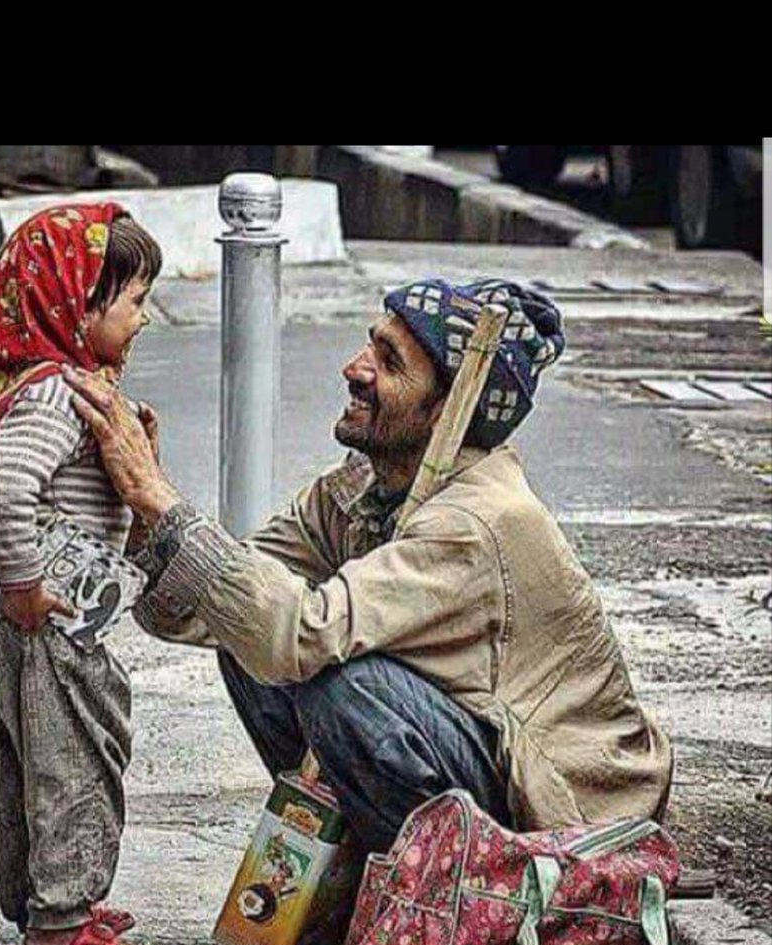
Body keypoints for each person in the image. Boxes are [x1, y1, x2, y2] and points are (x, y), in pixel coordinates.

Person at [64, 277, 673, 858]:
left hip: (558, 809)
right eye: (369, 344)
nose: (354, 369)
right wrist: (147, 519)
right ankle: (348, 869)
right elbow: (214, 603)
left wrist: (157, 494)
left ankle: (435, 891)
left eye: (390, 361)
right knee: (244, 625)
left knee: (339, 684)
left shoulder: (477, 520)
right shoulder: (359, 491)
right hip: (466, 745)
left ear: (446, 412)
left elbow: (298, 635)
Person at [0, 202, 163, 945]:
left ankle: (51, 899)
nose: (145, 318)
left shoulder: (52, 386)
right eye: (133, 301)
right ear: (75, 303)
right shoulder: (55, 393)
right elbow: (4, 485)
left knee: (25, 762)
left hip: (14, 612)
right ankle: (59, 922)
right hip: (41, 616)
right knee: (75, 758)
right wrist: (27, 586)